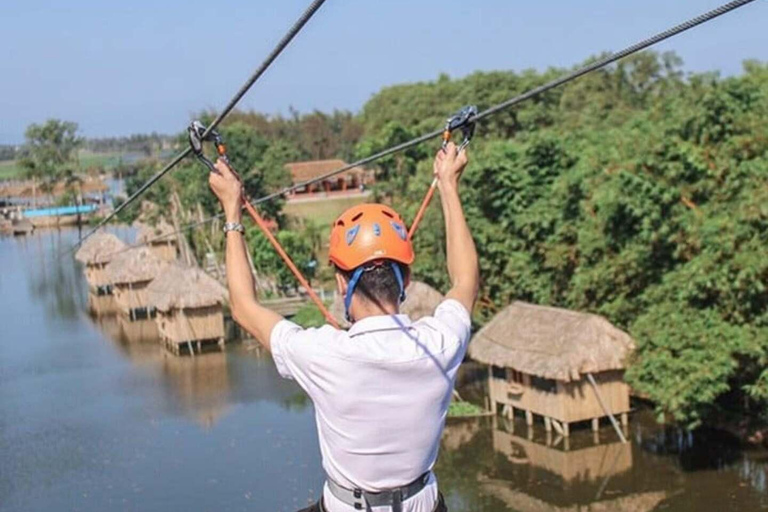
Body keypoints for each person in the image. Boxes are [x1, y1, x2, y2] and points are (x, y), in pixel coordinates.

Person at [209, 141, 479, 512]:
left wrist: (231, 210)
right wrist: (448, 184)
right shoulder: (440, 343)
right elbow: (465, 281)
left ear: (341, 283)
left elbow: (243, 307)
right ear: (407, 278)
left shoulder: (324, 353)